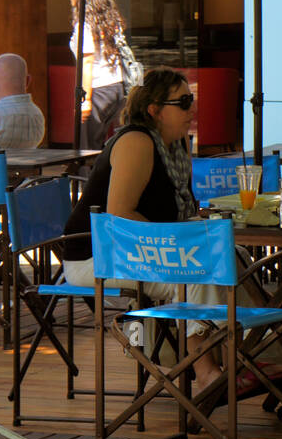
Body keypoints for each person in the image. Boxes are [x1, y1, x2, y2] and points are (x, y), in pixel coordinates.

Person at [61, 69, 230, 403]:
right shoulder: (137, 141)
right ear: (154, 110)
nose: (191, 109)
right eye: (183, 102)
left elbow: (177, 212)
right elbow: (120, 215)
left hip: (142, 248)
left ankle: (261, 357)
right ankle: (207, 373)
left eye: (191, 99)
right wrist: (184, 243)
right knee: (195, 271)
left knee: (232, 257)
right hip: (97, 256)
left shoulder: (177, 146)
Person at [69, 0, 132, 150]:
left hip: (98, 90)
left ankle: (87, 179)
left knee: (85, 147)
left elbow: (87, 63)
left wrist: (85, 100)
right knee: (113, 144)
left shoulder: (85, 25)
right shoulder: (112, 20)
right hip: (118, 87)